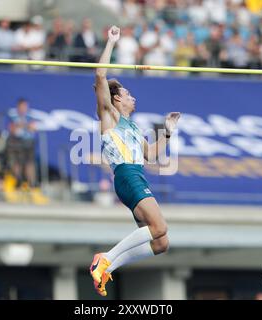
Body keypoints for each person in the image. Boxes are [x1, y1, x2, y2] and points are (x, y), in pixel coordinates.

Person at [89, 26, 180, 297]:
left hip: (136, 175)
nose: (133, 97)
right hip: (127, 176)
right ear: (117, 98)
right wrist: (111, 41)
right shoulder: (110, 116)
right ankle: (105, 258)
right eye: (128, 94)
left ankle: (107, 267)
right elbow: (100, 74)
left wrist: (167, 131)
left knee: (162, 242)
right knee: (159, 227)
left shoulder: (133, 127)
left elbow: (151, 154)